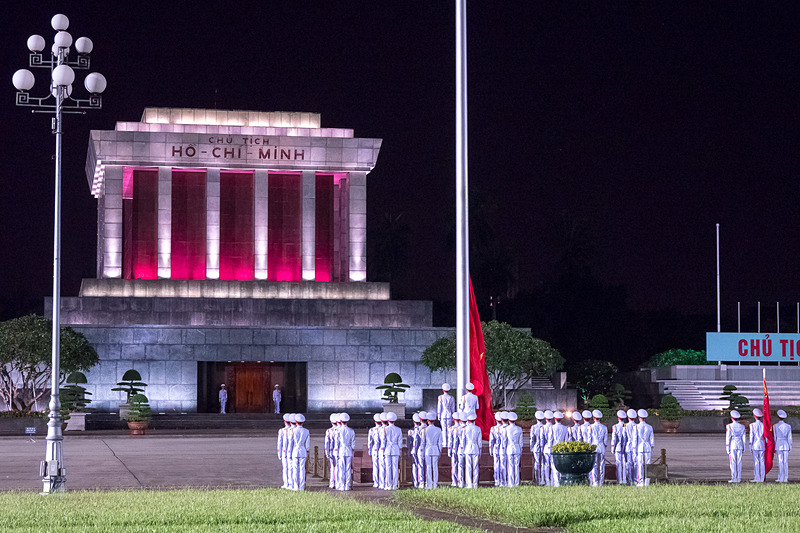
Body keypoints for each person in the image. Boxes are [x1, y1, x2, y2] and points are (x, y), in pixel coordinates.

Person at [549, 411, 570, 486]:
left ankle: (556, 482)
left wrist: (550, 449)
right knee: (561, 465)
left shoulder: (552, 427)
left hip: (554, 448)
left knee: (554, 465)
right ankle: (561, 481)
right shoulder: (565, 428)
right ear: (561, 419)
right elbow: (566, 440)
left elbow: (550, 439)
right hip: (562, 448)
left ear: (555, 419)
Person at [725, 409, 746, 483]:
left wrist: (727, 447)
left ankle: (734, 477)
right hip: (740, 445)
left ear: (732, 418)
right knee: (739, 462)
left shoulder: (729, 426)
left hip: (733, 445)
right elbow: (744, 438)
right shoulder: (742, 426)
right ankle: (739, 477)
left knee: (733, 462)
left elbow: (728, 438)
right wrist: (744, 447)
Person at [336, 412, 355, 490]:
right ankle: (347, 485)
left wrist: (336, 452)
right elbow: (353, 443)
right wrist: (352, 451)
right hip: (348, 450)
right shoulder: (351, 431)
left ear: (340, 421)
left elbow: (337, 443)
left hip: (341, 450)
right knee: (348, 469)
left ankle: (342, 485)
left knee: (341, 468)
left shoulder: (338, 430)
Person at [424, 411, 443, 489]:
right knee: (435, 467)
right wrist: (439, 451)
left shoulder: (425, 430)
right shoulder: (438, 430)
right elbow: (440, 443)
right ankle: (435, 483)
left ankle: (429, 483)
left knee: (428, 467)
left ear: (428, 421)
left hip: (428, 449)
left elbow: (423, 442)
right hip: (435, 449)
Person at [635, 409, 654, 486]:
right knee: (647, 465)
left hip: (640, 447)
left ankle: (641, 481)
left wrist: (634, 448)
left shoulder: (636, 427)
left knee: (640, 465)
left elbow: (635, 439)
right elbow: (652, 438)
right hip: (647, 446)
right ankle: (647, 482)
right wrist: (652, 445)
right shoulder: (649, 427)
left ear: (639, 417)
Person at [384, 412, 402, 490]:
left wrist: (383, 448)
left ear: (388, 421)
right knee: (395, 467)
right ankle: (394, 485)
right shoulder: (398, 430)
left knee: (388, 467)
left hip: (387, 449)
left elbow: (383, 440)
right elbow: (400, 443)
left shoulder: (385, 429)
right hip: (395, 449)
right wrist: (399, 449)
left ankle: (388, 484)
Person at [291, 414, 309, 490]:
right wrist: (307, 451)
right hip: (303, 450)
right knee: (302, 469)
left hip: (295, 450)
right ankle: (301, 486)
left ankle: (295, 486)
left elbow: (291, 443)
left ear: (296, 422)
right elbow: (307, 444)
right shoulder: (306, 431)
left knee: (295, 469)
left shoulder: (293, 431)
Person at [590, 409, 608, 486]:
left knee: (594, 465)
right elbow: (605, 440)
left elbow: (589, 438)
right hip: (601, 446)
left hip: (594, 446)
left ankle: (595, 482)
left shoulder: (590, 427)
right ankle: (601, 481)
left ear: (593, 418)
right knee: (601, 465)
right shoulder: (604, 427)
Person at [774, 409, 792, 483]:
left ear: (778, 417)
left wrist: (774, 446)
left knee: (780, 461)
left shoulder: (775, 426)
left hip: (778, 444)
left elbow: (775, 437)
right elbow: (789, 437)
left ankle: (781, 477)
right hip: (786, 444)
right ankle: (785, 477)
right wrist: (790, 446)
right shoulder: (788, 426)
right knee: (785, 462)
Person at [505, 412, 523, 487]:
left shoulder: (506, 429)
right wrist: (521, 449)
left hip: (509, 448)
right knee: (516, 466)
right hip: (517, 448)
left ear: (509, 420)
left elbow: (505, 440)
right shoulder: (519, 429)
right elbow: (521, 442)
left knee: (510, 466)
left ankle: (511, 483)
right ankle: (516, 482)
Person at [611, 410, 628, 485]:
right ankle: (624, 479)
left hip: (618, 447)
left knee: (618, 464)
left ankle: (619, 480)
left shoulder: (615, 426)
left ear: (618, 418)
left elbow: (614, 439)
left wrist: (613, 448)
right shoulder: (626, 426)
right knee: (625, 464)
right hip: (625, 447)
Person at [750, 408, 766, 483]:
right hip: (762, 444)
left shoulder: (752, 425)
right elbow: (765, 436)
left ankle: (757, 477)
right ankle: (762, 478)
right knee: (762, 461)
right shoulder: (763, 425)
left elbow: (751, 436)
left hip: (755, 444)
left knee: (756, 461)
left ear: (754, 416)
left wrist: (750, 445)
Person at [437, 383, 456, 447]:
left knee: (443, 429)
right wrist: (453, 416)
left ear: (443, 390)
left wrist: (439, 415)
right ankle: (449, 442)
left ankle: (444, 443)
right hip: (449, 415)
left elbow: (439, 407)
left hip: (443, 414)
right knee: (448, 429)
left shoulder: (440, 397)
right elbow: (452, 408)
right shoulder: (451, 398)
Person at [624, 408, 639, 485]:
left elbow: (624, 438)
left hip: (628, 446)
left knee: (628, 464)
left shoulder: (625, 426)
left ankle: (629, 480)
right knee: (636, 464)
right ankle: (635, 480)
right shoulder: (637, 426)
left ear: (628, 417)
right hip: (636, 446)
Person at [278, 413, 292, 489]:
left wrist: (279, 453)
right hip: (292, 452)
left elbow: (279, 443)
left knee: (285, 468)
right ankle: (291, 483)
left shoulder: (282, 431)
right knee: (291, 468)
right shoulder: (293, 430)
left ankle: (286, 483)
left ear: (284, 421)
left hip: (284, 451)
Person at [324, 414, 339, 489]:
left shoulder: (329, 431)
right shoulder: (339, 430)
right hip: (339, 451)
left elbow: (327, 443)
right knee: (339, 468)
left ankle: (332, 483)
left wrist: (327, 452)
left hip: (332, 451)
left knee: (333, 468)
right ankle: (338, 483)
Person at [540, 410, 554, 486]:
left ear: (545, 419)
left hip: (546, 448)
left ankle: (547, 481)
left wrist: (542, 448)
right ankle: (552, 481)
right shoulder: (553, 427)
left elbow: (542, 439)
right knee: (553, 465)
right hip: (553, 448)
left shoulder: (543, 427)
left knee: (546, 465)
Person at [530, 410, 545, 485]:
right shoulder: (545, 427)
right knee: (543, 463)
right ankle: (543, 479)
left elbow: (532, 439)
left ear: (536, 419)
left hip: (536, 447)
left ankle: (537, 479)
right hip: (544, 447)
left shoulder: (533, 427)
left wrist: (531, 448)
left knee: (537, 463)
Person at [489, 412, 503, 486]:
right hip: (503, 448)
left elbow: (491, 441)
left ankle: (497, 480)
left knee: (496, 465)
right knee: (503, 465)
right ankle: (503, 480)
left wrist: (490, 450)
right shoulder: (505, 428)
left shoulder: (493, 429)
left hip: (496, 448)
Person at [368, 413, 382, 488]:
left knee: (375, 466)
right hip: (382, 450)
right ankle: (382, 482)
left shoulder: (372, 430)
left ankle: (376, 482)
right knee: (382, 466)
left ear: (375, 421)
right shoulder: (384, 429)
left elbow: (370, 442)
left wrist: (370, 450)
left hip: (375, 449)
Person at [448, 411, 462, 487]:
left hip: (454, 449)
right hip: (461, 449)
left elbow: (450, 441)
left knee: (454, 465)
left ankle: (454, 482)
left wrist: (449, 450)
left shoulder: (451, 429)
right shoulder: (463, 428)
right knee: (461, 466)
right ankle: (461, 482)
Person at [455, 411, 468, 488]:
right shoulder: (469, 428)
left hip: (460, 449)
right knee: (467, 466)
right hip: (467, 449)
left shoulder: (457, 429)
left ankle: (461, 482)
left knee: (460, 466)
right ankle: (467, 482)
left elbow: (456, 441)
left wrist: (454, 450)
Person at [416, 411, 428, 489]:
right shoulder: (429, 428)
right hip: (428, 449)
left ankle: (421, 482)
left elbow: (416, 440)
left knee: (420, 466)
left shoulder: (418, 429)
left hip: (420, 448)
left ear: (420, 420)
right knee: (427, 466)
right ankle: (427, 482)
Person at [409, 413, 422, 488]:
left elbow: (409, 442)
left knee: (415, 466)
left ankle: (415, 482)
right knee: (421, 466)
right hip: (421, 450)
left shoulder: (411, 431)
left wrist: (409, 451)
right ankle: (421, 482)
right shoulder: (423, 430)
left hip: (413, 450)